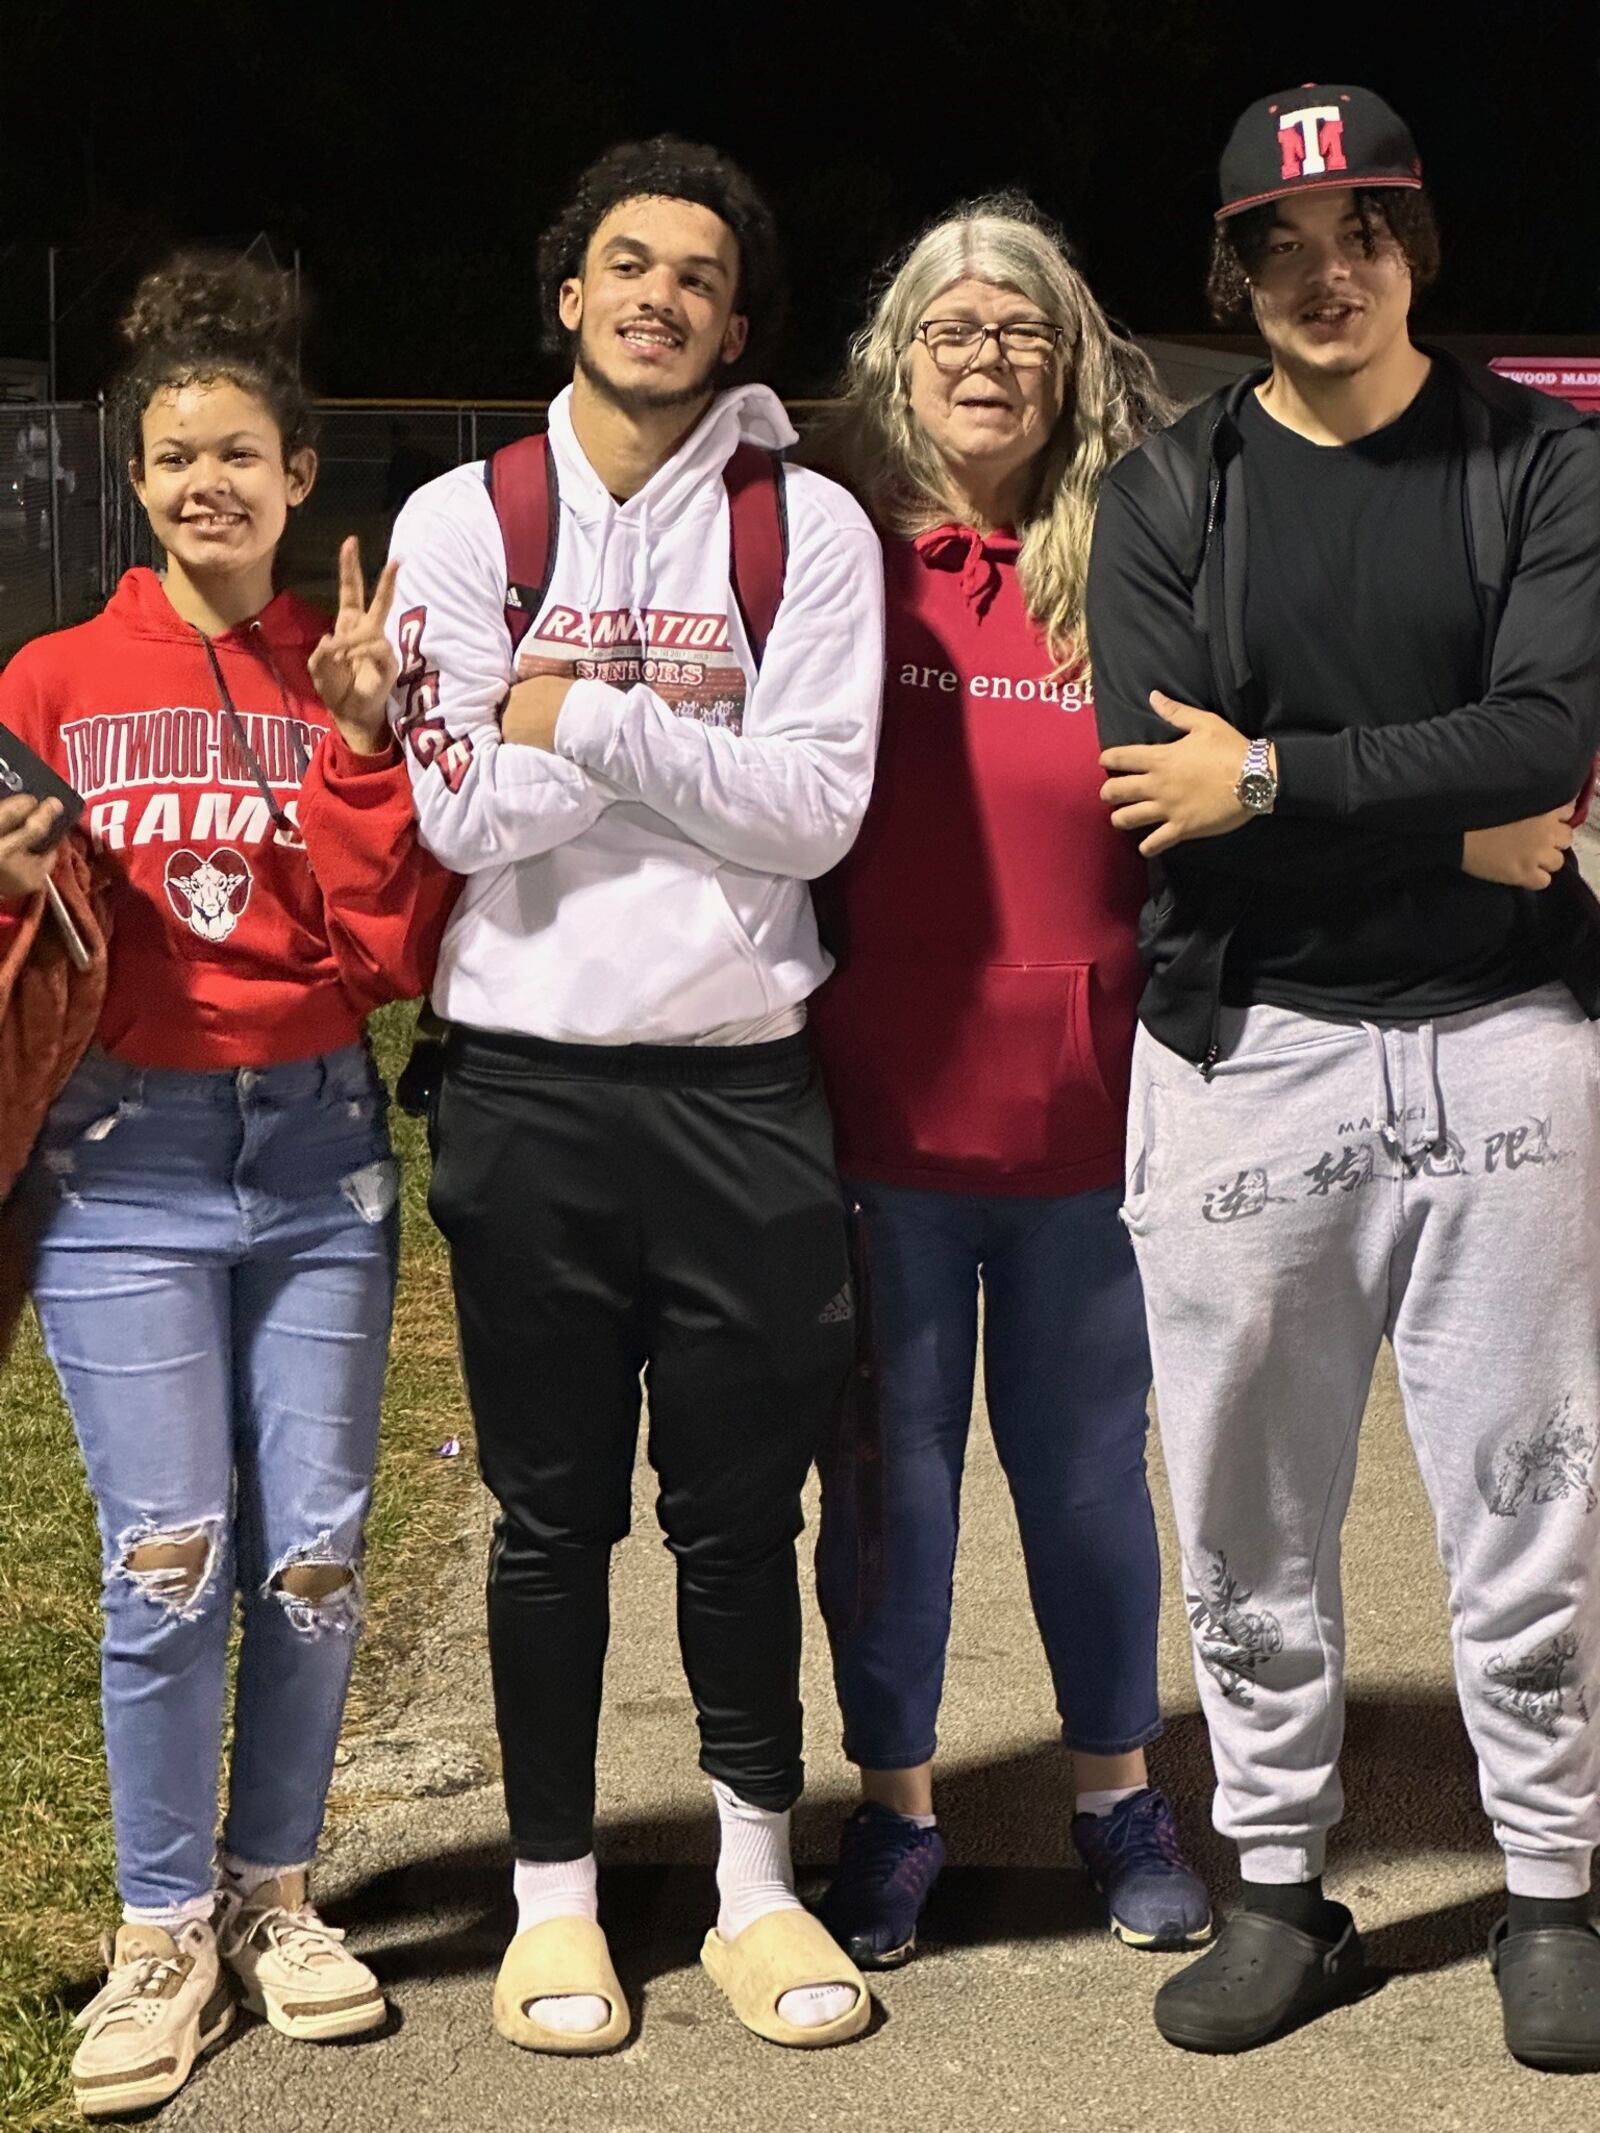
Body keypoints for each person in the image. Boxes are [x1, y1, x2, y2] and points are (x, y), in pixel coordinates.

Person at [1088, 84, 1600, 2069]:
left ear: (1414, 245)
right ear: (1234, 266)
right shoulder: (1171, 487)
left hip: (1502, 1040)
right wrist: (1435, 811)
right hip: (1248, 1049)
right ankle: (1279, 1882)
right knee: (1241, 1497)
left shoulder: (1531, 459)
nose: (1327, 269)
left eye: (1363, 230)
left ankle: (1547, 1883)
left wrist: (1280, 773)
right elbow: (1161, 804)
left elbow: (1538, 742)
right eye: (1281, 244)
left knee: (1526, 1487)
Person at [386, 136, 884, 2054]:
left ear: (733, 322)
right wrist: (689, 748)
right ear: (570, 293)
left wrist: (577, 709)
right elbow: (461, 808)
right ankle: (556, 1902)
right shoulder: (457, 520)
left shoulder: (806, 530)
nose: (658, 293)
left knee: (740, 1517)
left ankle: (758, 1886)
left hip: (741, 1086)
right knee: (546, 1515)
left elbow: (819, 807)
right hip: (522, 1083)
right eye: (626, 262)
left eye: (697, 272)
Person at [0, 253, 455, 2119]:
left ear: (296, 475)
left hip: (323, 1144)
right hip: (128, 1161)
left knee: (316, 1554)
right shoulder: (50, 676)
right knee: (168, 1557)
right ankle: (161, 1925)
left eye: (240, 456)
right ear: (140, 477)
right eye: (175, 456)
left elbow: (390, 949)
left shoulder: (347, 666)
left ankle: (280, 1895)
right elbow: (35, 937)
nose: (207, 484)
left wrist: (359, 748)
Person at [802, 195, 1209, 1969]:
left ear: (1072, 364)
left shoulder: (1132, 560)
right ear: (901, 359)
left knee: (1088, 1478)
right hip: (871, 1121)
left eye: (1021, 329)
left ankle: (1116, 1788)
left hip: (1084, 1126)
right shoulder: (834, 563)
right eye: (953, 329)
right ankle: (897, 1809)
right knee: (889, 1490)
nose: (987, 357)